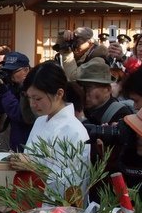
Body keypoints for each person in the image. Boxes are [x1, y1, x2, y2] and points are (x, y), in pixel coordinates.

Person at [11, 63, 90, 205]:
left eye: (38, 98)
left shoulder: (75, 131)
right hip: (30, 199)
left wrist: (33, 165)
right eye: (29, 98)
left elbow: (73, 183)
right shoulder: (40, 121)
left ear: (59, 93)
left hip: (54, 210)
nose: (32, 104)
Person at [0, 52, 35, 152]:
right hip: (12, 146)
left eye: (12, 71)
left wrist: (5, 93)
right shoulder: (12, 88)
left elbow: (21, 115)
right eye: (7, 71)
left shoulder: (34, 91)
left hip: (27, 148)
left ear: (26, 70)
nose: (9, 75)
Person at [75, 58, 132, 125]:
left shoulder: (120, 113)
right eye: (81, 87)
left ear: (108, 89)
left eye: (89, 87)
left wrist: (82, 120)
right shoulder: (79, 107)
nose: (84, 93)